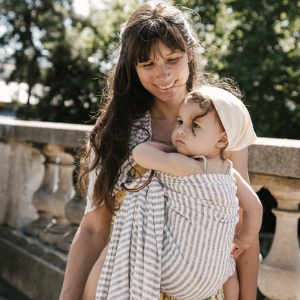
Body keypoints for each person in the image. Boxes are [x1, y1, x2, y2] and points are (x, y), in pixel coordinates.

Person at [58, 1, 261, 300]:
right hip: (122, 283)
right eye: (147, 64)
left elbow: (242, 221)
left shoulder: (223, 126)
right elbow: (93, 228)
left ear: (190, 53)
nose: (163, 76)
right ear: (132, 68)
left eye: (173, 58)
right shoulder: (117, 133)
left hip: (203, 291)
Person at [131, 85, 262, 300]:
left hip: (174, 273)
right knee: (229, 271)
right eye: (180, 121)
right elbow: (255, 207)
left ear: (222, 140)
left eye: (195, 125)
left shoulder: (189, 166)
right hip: (213, 278)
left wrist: (169, 149)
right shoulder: (230, 172)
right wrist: (243, 239)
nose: (181, 130)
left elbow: (140, 153)